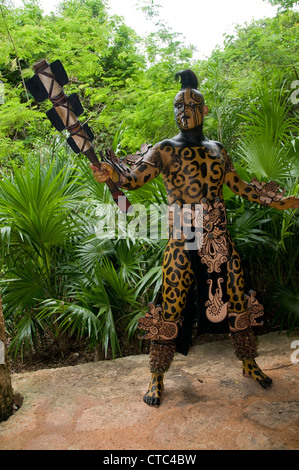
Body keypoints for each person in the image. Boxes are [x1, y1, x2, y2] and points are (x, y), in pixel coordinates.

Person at [91, 69, 299, 406]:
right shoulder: (165, 149)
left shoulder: (218, 149)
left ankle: (248, 363)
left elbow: (239, 185)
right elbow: (131, 179)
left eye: (189, 106)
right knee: (171, 304)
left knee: (234, 296)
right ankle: (156, 376)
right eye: (176, 107)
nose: (182, 111)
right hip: (183, 232)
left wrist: (276, 201)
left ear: (203, 110)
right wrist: (111, 172)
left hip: (218, 234)